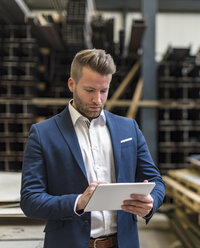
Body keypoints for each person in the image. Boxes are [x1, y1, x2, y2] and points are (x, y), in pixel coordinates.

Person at [20, 49, 165, 248]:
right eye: (90, 90)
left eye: (103, 91)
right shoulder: (43, 134)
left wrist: (150, 203)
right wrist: (79, 202)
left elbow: (157, 181)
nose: (97, 99)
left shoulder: (128, 128)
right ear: (72, 84)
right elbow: (30, 200)